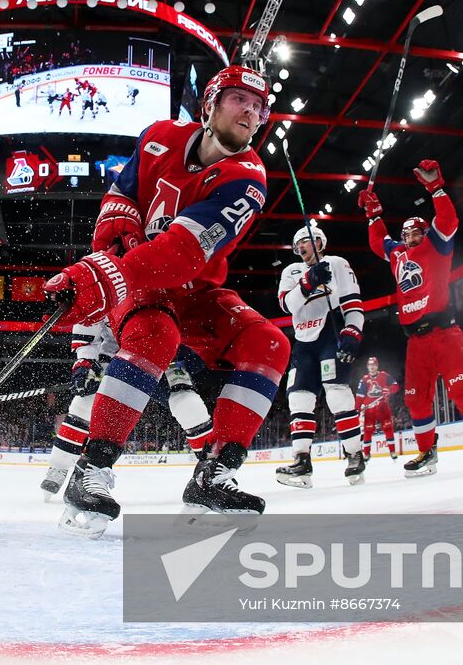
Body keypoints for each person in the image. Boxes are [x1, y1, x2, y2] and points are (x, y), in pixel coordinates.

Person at [43, 65, 291, 537]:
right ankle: (89, 472)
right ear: (212, 102)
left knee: (270, 343)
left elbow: (181, 253)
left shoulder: (248, 178)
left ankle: (214, 473)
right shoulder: (158, 135)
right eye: (241, 99)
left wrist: (106, 273)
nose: (252, 112)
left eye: (259, 107)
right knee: (155, 333)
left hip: (192, 287)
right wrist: (112, 245)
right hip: (141, 282)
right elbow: (121, 198)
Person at [358, 160, 463, 477]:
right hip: (416, 342)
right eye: (406, 233)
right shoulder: (397, 255)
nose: (409, 237)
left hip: (444, 333)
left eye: (415, 232)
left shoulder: (437, 244)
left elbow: (448, 219)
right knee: (416, 400)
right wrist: (374, 216)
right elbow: (377, 241)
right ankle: (426, 452)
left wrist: (435, 188)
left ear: (424, 232)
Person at [38, 318, 214, 499]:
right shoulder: (112, 291)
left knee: (188, 403)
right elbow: (90, 315)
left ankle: (213, 470)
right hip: (118, 354)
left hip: (163, 351)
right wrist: (86, 360)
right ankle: (58, 467)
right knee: (84, 403)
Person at [273, 224, 367, 488]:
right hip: (303, 341)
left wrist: (352, 332)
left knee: (337, 393)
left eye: (307, 241)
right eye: (298, 243)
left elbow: (354, 304)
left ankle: (354, 455)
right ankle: (302, 461)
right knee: (298, 397)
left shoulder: (337, 264)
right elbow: (287, 304)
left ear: (320, 242)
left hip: (329, 333)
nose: (302, 246)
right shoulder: (291, 271)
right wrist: (308, 281)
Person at [357, 356, 401, 460]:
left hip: (383, 407)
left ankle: (392, 451)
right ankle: (367, 453)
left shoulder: (384, 375)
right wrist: (357, 408)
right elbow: (360, 395)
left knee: (388, 428)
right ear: (367, 367)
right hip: (369, 409)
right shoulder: (364, 379)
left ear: (377, 366)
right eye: (370, 365)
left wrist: (389, 389)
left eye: (374, 365)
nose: (372, 367)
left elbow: (395, 386)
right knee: (368, 431)